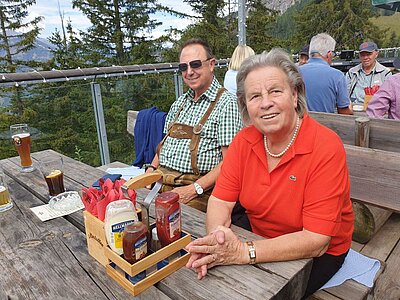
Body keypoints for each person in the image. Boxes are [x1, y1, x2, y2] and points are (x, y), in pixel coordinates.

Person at [185, 48, 354, 299]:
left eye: (275, 91)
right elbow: (220, 200)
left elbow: (317, 240)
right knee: (200, 278)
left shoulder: (325, 146)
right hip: (257, 234)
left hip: (318, 253)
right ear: (246, 106)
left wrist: (243, 252)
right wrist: (218, 238)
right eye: (255, 96)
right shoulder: (244, 141)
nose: (265, 103)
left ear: (294, 95)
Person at [146, 38, 243, 212]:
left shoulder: (226, 103)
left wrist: (194, 189)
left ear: (211, 64)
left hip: (199, 191)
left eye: (196, 65)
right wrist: (150, 171)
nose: (189, 72)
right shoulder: (180, 103)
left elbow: (230, 163)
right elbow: (164, 145)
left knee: (164, 228)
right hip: (161, 182)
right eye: (183, 67)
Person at [299, 33, 353, 114]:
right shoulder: (337, 76)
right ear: (329, 54)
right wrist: (350, 109)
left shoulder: (295, 72)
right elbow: (344, 112)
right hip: (325, 124)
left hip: (299, 124)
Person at [346, 41, 392, 108]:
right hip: (354, 109)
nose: (365, 57)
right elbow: (345, 94)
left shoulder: (385, 73)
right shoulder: (352, 73)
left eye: (369, 54)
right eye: (362, 55)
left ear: (376, 54)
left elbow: (389, 98)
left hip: (376, 110)